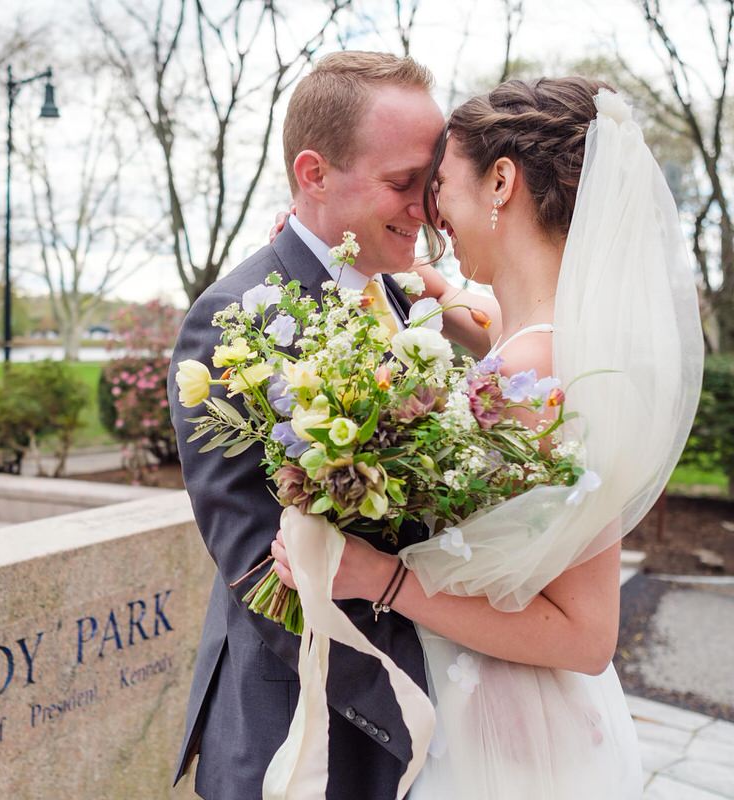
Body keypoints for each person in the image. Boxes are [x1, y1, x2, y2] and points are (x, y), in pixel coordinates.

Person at [271, 77, 702, 798]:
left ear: (501, 181)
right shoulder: (548, 342)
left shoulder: (532, 374)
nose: (431, 211)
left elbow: (586, 636)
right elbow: (499, 338)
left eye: (440, 184)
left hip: (505, 735)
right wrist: (426, 291)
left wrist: (383, 579)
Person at [166, 51, 445, 799]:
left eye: (435, 180)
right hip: (304, 724)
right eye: (402, 183)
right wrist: (424, 702)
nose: (428, 207)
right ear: (314, 175)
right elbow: (262, 565)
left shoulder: (408, 298)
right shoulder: (233, 318)